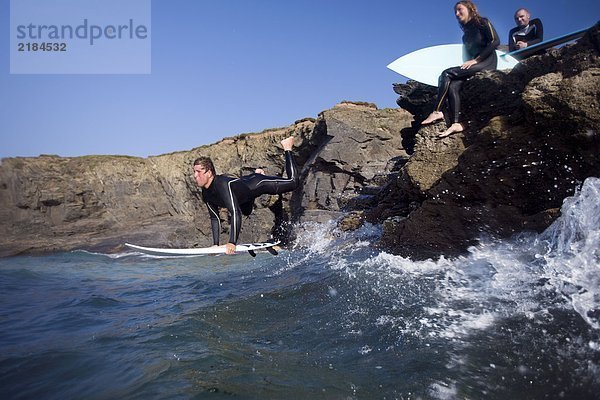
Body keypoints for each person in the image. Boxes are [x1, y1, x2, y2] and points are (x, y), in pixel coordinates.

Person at [193, 136, 299, 254]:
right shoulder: (206, 192)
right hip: (244, 195)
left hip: (257, 184)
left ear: (208, 173)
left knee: (293, 182)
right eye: (194, 172)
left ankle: (287, 147)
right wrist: (215, 245)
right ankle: (257, 173)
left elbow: (235, 212)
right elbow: (214, 217)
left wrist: (232, 242)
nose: (195, 175)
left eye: (198, 172)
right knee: (247, 211)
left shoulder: (222, 184)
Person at [421, 1, 500, 138]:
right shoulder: (465, 35)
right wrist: (467, 66)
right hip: (474, 64)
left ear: (470, 9)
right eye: (455, 12)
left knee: (446, 74)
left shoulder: (483, 23)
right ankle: (456, 123)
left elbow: (495, 41)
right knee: (453, 86)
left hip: (487, 62)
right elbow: (467, 58)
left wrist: (477, 60)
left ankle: (437, 111)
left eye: (459, 10)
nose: (457, 14)